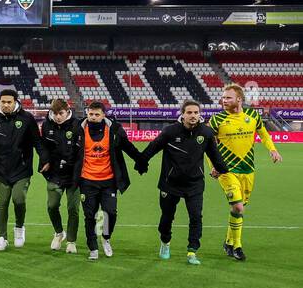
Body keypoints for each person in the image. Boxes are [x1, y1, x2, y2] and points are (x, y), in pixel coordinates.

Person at [135, 101, 230, 265]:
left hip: (195, 184)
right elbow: (152, 147)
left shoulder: (206, 133)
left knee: (196, 217)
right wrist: (141, 163)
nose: (193, 115)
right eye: (190, 112)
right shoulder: (170, 131)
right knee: (167, 217)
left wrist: (224, 169)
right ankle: (165, 242)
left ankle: (192, 251)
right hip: (169, 183)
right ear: (183, 114)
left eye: (196, 112)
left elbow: (215, 156)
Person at [208, 83, 283, 261]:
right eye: (223, 97)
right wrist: (214, 165)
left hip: (248, 170)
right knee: (238, 206)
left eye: (228, 98)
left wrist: (272, 149)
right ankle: (238, 247)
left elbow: (263, 134)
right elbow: (209, 146)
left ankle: (228, 241)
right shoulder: (216, 120)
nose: (223, 100)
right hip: (226, 170)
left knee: (238, 210)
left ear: (239, 99)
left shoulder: (252, 116)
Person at [70, 100, 146, 260]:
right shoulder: (78, 129)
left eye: (97, 114)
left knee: (109, 213)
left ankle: (105, 237)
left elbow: (128, 147)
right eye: (90, 114)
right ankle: (93, 248)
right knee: (89, 216)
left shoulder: (114, 130)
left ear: (104, 115)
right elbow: (70, 152)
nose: (93, 117)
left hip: (109, 181)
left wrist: (140, 160)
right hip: (87, 181)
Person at [0, 88, 48, 252]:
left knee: (19, 199)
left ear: (16, 102)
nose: (6, 105)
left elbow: (37, 142)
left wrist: (44, 159)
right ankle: (1, 237)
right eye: (3, 102)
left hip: (22, 169)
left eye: (9, 102)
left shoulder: (27, 118)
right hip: (1, 170)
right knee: (2, 204)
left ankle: (19, 227)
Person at [40, 99, 81, 253]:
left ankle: (71, 241)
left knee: (73, 209)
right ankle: (59, 233)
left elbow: (80, 151)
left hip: (73, 175)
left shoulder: (77, 125)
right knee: (52, 206)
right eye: (55, 113)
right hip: (54, 173)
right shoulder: (46, 125)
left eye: (61, 113)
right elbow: (43, 146)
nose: (58, 117)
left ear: (67, 110)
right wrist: (45, 161)